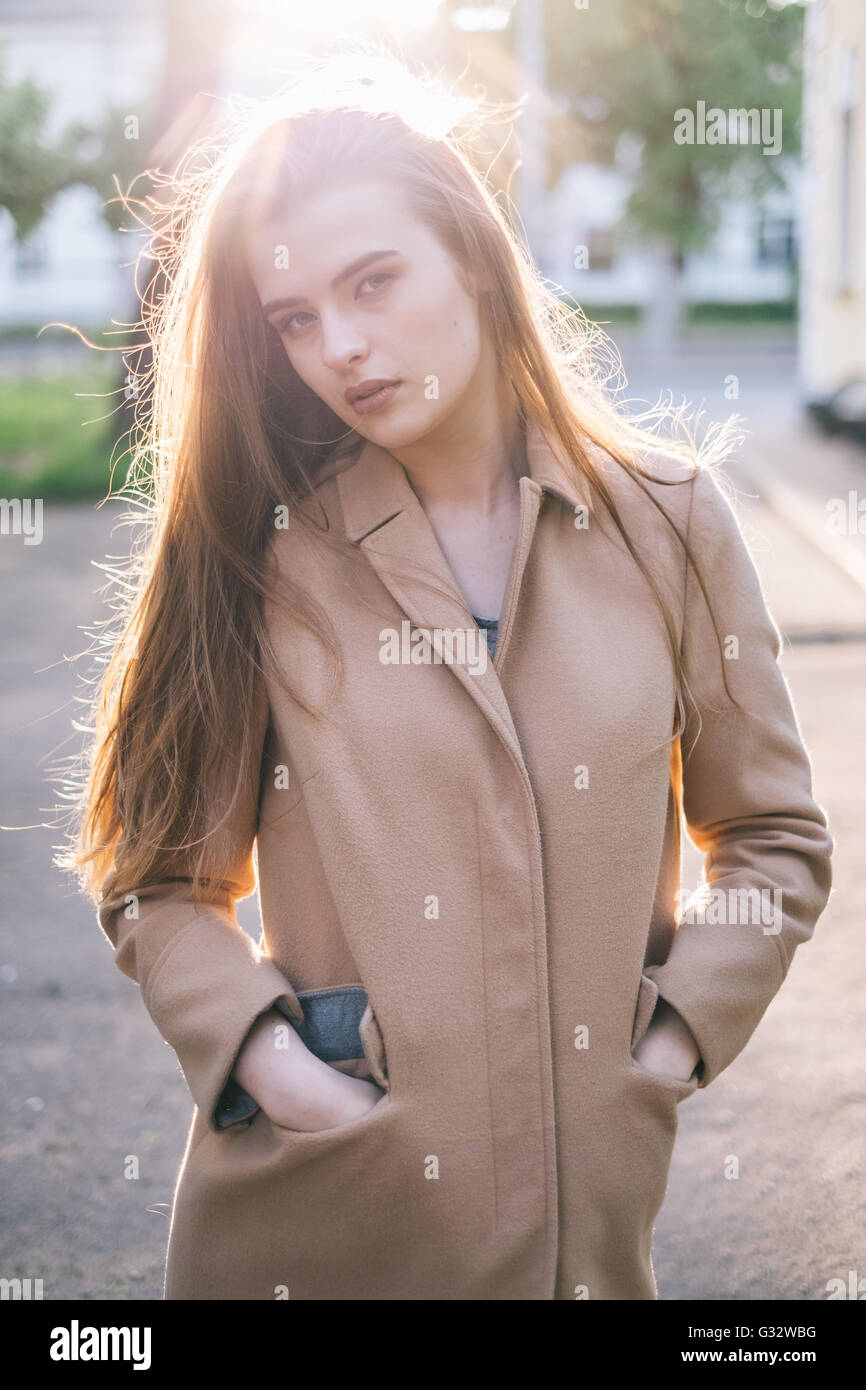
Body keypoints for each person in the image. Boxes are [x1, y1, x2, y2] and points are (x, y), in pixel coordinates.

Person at [60, 53, 833, 1300]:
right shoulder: (260, 558)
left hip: (584, 1252)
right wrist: (281, 1073)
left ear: (472, 255)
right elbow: (156, 883)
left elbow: (770, 836)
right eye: (296, 319)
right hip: (313, 1234)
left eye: (373, 281)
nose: (342, 348)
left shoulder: (670, 524)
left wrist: (669, 1041)